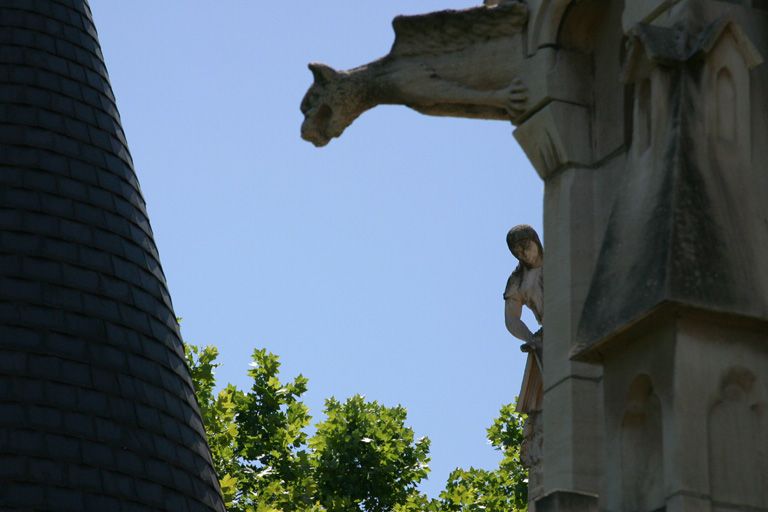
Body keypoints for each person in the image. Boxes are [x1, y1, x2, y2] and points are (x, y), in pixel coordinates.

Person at [503, 224, 543, 359]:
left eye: (526, 247)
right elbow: (511, 318)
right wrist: (530, 338)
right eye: (518, 253)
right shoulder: (518, 279)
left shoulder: (559, 259)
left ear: (535, 241)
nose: (524, 255)